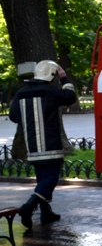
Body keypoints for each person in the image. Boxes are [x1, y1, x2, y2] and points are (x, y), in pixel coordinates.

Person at [9, 60, 77, 230]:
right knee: (50, 178)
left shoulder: (21, 93)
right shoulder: (51, 91)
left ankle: (46, 212)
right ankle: (29, 207)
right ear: (51, 76)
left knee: (42, 179)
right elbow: (70, 97)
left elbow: (13, 116)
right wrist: (64, 79)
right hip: (50, 145)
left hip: (32, 145)